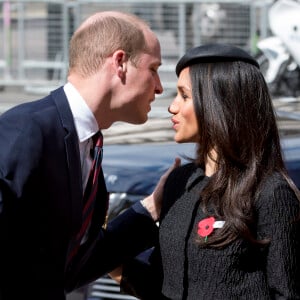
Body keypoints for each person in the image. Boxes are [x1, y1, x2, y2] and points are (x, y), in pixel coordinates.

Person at [0, 11, 180, 300]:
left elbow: (77, 267)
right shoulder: (28, 129)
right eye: (154, 69)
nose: (159, 87)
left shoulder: (87, 144)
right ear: (120, 63)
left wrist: (151, 208)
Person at [110, 43, 300, 299]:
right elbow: (161, 286)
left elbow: (287, 292)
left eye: (184, 96)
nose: (172, 107)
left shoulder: (271, 193)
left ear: (220, 104)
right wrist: (106, 250)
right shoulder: (179, 182)